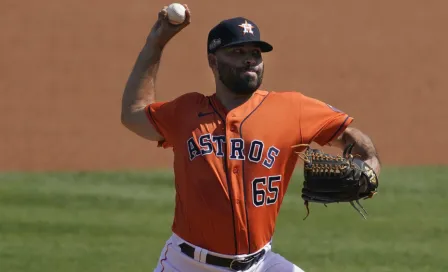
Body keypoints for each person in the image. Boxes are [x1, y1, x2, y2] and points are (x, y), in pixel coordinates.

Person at [121, 4, 381, 272]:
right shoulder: (185, 112)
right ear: (213, 61)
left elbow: (351, 137)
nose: (250, 60)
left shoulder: (292, 109)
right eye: (238, 52)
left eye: (255, 53)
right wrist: (157, 42)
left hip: (260, 264)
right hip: (187, 264)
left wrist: (371, 164)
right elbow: (133, 114)